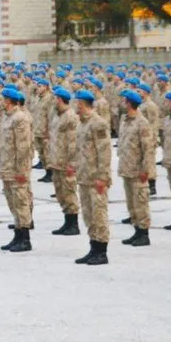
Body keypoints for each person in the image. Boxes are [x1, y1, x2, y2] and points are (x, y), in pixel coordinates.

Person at [73, 90, 111, 265]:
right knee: (89, 215)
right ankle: (93, 247)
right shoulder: (82, 123)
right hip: (84, 176)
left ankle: (102, 251)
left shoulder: (98, 124)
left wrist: (102, 177)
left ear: (82, 104)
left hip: (96, 178)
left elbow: (104, 153)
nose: (75, 107)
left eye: (77, 104)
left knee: (99, 214)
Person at [0, 88, 34, 252]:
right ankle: (18, 234)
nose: (1, 102)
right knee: (13, 202)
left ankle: (25, 239)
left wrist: (21, 171)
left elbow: (23, 147)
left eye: (3, 99)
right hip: (7, 167)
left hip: (17, 169)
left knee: (21, 202)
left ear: (8, 101)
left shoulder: (20, 118)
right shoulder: (8, 117)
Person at [117, 89, 154, 247]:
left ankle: (144, 234)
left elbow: (148, 149)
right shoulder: (124, 120)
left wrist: (147, 171)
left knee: (141, 203)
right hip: (127, 168)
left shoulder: (142, 123)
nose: (122, 103)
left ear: (129, 103)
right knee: (131, 203)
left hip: (139, 170)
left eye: (124, 100)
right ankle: (136, 230)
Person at [48, 87, 81, 236]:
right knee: (61, 193)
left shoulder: (70, 117)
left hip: (66, 162)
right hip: (56, 161)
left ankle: (73, 224)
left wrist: (71, 164)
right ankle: (67, 221)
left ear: (60, 99)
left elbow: (73, 143)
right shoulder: (57, 115)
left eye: (55, 98)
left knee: (69, 193)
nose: (53, 100)